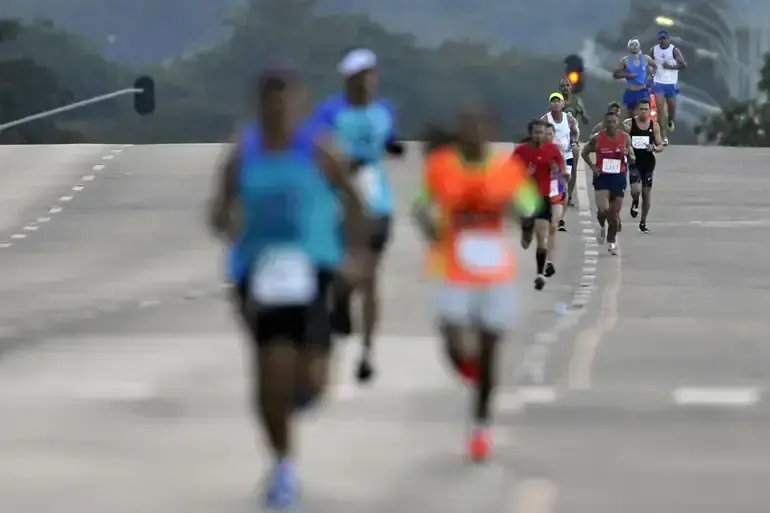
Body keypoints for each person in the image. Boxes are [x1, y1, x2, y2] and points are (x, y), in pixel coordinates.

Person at [208, 61, 370, 509]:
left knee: (310, 384)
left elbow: (355, 203)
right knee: (269, 373)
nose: (278, 109)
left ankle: (297, 397)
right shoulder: (244, 153)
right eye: (269, 100)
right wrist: (227, 225)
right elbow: (219, 209)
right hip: (260, 274)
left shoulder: (319, 150)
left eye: (286, 99)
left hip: (314, 270)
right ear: (258, 105)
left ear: (299, 104)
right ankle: (282, 466)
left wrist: (353, 257)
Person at [411, 107, 541, 462]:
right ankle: (469, 370)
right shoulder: (441, 166)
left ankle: (481, 428)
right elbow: (421, 207)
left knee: (489, 351)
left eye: (482, 129)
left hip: (493, 273)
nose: (475, 135)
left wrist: (518, 210)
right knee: (454, 344)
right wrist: (432, 230)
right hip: (451, 268)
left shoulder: (506, 169)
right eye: (468, 129)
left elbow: (529, 204)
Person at [313, 47, 404, 385]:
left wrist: (393, 147)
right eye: (360, 78)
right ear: (349, 82)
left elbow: (388, 139)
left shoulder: (385, 111)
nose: (367, 83)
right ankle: (339, 301)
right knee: (344, 274)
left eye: (371, 76)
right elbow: (316, 147)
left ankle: (367, 352)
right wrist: (337, 162)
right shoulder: (330, 112)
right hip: (337, 204)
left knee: (370, 276)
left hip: (377, 203)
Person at [512, 116, 566, 289]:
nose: (539, 135)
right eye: (536, 132)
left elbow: (561, 168)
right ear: (531, 133)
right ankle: (525, 229)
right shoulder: (521, 151)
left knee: (542, 236)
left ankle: (540, 274)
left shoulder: (552, 150)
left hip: (543, 198)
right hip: (525, 197)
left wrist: (560, 172)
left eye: (542, 133)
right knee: (527, 238)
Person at [581, 109, 635, 255]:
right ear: (604, 123)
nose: (611, 125)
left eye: (614, 122)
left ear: (618, 123)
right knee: (604, 209)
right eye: (608, 122)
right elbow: (584, 152)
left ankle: (611, 241)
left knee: (615, 214)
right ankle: (601, 225)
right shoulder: (597, 138)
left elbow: (632, 158)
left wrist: (628, 155)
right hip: (602, 176)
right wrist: (593, 167)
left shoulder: (625, 138)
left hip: (618, 177)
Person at [623, 98, 664, 232]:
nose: (643, 112)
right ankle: (635, 201)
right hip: (634, 161)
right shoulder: (629, 124)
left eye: (646, 109)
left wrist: (654, 148)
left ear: (650, 110)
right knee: (636, 190)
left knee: (646, 194)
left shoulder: (654, 126)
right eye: (641, 109)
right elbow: (623, 138)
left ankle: (643, 221)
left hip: (648, 162)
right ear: (637, 110)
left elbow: (660, 145)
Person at [541, 91, 578, 232]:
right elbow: (538, 133)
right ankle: (550, 211)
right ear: (550, 104)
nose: (556, 104)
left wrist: (573, 141)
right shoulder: (545, 119)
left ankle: (561, 219)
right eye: (553, 101)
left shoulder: (569, 119)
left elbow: (575, 131)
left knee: (564, 185)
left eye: (558, 101)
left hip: (566, 156)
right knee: (550, 186)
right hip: (550, 158)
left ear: (563, 104)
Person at [650, 30, 687, 145]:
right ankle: (663, 136)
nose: (663, 41)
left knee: (671, 107)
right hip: (658, 82)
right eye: (661, 39)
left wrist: (671, 66)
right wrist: (651, 71)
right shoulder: (653, 50)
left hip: (671, 83)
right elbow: (649, 63)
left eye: (664, 38)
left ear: (668, 39)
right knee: (660, 109)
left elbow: (684, 65)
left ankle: (670, 121)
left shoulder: (674, 50)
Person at [559, 77, 589, 208]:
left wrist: (581, 113)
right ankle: (559, 193)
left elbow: (586, 121)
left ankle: (569, 195)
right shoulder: (556, 101)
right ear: (560, 88)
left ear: (571, 87)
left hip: (573, 138)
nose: (566, 88)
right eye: (563, 86)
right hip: (559, 138)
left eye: (568, 85)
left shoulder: (577, 101)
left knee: (573, 168)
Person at [544, 123, 568, 276]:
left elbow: (563, 169)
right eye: (544, 133)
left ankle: (549, 261)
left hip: (555, 193)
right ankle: (545, 257)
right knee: (542, 229)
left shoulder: (557, 150)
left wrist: (564, 176)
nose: (547, 136)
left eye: (550, 134)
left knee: (552, 225)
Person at [613, 39, 657, 119]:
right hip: (631, 92)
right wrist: (627, 75)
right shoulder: (625, 60)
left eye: (636, 44)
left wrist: (652, 75)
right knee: (630, 116)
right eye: (632, 45)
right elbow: (615, 74)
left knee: (641, 115)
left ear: (639, 46)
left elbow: (655, 66)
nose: (634, 46)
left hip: (643, 92)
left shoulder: (646, 58)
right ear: (628, 48)